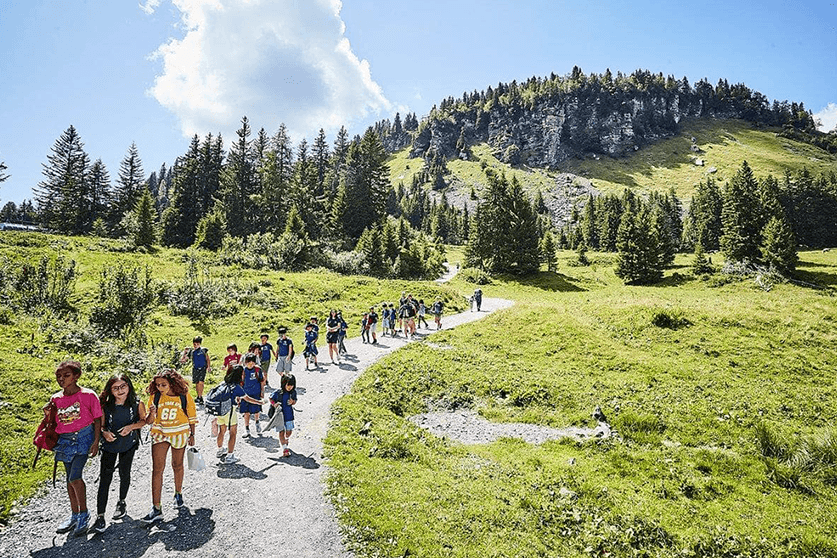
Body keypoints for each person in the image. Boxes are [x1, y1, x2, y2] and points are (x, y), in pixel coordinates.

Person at [51, 360, 103, 537]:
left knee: (75, 477)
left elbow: (97, 419)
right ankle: (74, 515)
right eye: (58, 376)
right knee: (68, 480)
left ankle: (84, 513)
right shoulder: (56, 399)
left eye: (66, 375)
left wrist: (96, 441)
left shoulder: (88, 395)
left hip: (83, 438)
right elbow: (53, 422)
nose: (61, 379)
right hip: (65, 441)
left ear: (76, 376)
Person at [90, 374, 146, 534]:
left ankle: (122, 502)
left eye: (123, 386)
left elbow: (144, 421)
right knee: (105, 480)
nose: (120, 390)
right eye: (116, 388)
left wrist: (131, 427)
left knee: (124, 474)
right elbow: (100, 426)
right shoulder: (105, 406)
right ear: (110, 390)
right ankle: (100, 516)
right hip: (109, 447)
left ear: (129, 386)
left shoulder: (136, 404)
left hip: (128, 445)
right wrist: (104, 433)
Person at [141, 369, 197, 524]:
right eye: (157, 384)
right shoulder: (156, 396)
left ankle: (178, 493)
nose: (160, 387)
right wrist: (152, 413)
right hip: (160, 434)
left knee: (177, 465)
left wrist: (192, 435)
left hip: (179, 433)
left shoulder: (183, 396)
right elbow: (150, 421)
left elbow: (191, 416)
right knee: (157, 469)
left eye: (163, 384)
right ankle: (156, 507)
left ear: (172, 383)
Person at [215, 365, 264, 464]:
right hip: (230, 412)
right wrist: (260, 402)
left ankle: (220, 450)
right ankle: (230, 456)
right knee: (232, 433)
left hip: (220, 411)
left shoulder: (223, 384)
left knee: (222, 430)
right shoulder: (236, 387)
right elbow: (248, 399)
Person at [240, 354, 265, 437]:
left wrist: (262, 392)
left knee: (256, 411)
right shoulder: (242, 371)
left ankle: (257, 423)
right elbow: (240, 383)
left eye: (252, 363)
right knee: (246, 412)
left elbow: (262, 381)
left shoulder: (258, 370)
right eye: (248, 363)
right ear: (245, 362)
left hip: (256, 393)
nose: (250, 365)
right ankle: (246, 429)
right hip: (245, 395)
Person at [185, 337, 210, 405]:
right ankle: (198, 396)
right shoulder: (192, 352)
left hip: (202, 368)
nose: (196, 345)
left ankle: (200, 396)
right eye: (194, 344)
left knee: (201, 382)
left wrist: (208, 367)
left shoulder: (204, 350)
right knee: (197, 383)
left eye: (197, 344)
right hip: (195, 368)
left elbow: (207, 359)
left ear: (200, 344)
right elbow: (185, 359)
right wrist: (185, 354)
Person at [277, 374, 297, 457]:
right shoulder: (279, 392)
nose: (290, 387)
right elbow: (271, 399)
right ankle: (285, 448)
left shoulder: (293, 393)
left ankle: (286, 438)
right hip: (280, 416)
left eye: (292, 385)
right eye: (288, 385)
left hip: (289, 415)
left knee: (289, 432)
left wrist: (293, 402)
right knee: (281, 432)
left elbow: (295, 400)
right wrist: (275, 404)